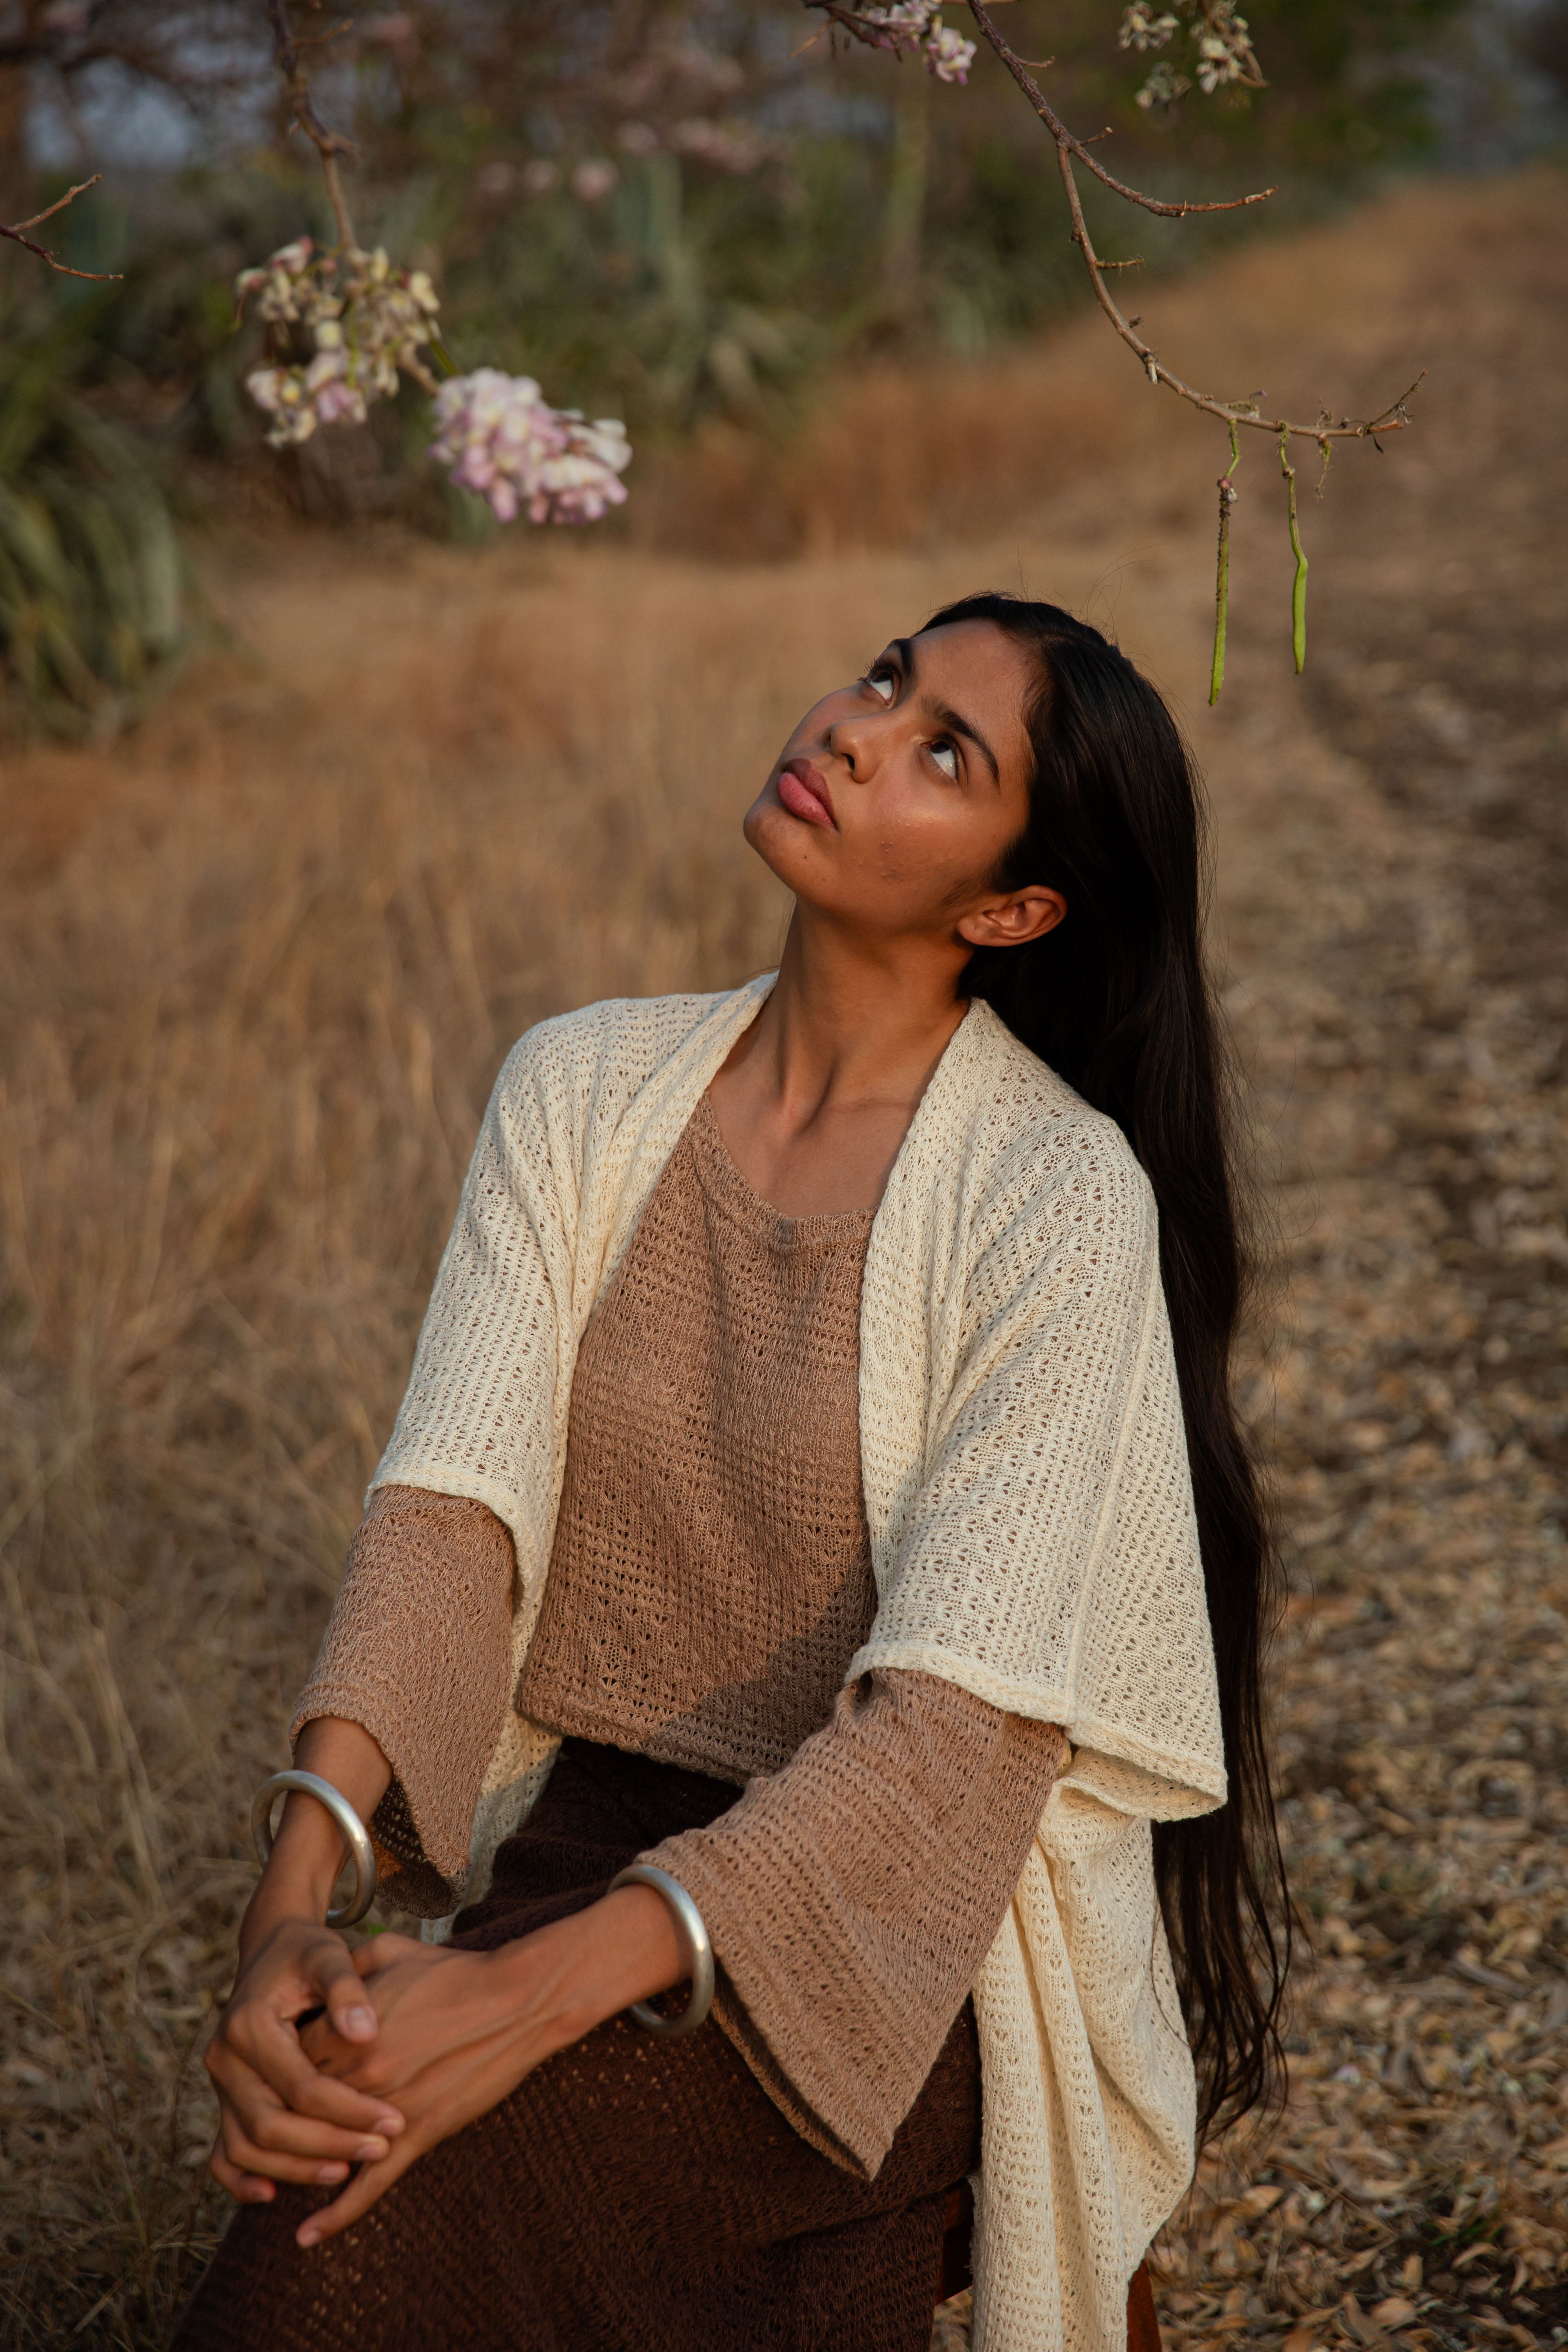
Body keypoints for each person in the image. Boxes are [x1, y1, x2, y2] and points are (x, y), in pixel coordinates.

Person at [176, 595, 1286, 2352]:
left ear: (1011, 908)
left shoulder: (1055, 1202)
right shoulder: (581, 1088)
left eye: (944, 751)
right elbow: (447, 1523)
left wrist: (522, 2000)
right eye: (885, 678)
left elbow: (950, 1749)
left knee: (384, 2185)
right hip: (602, 1850)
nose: (853, 730)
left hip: (911, 1947)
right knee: (359, 2154)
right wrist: (285, 1912)